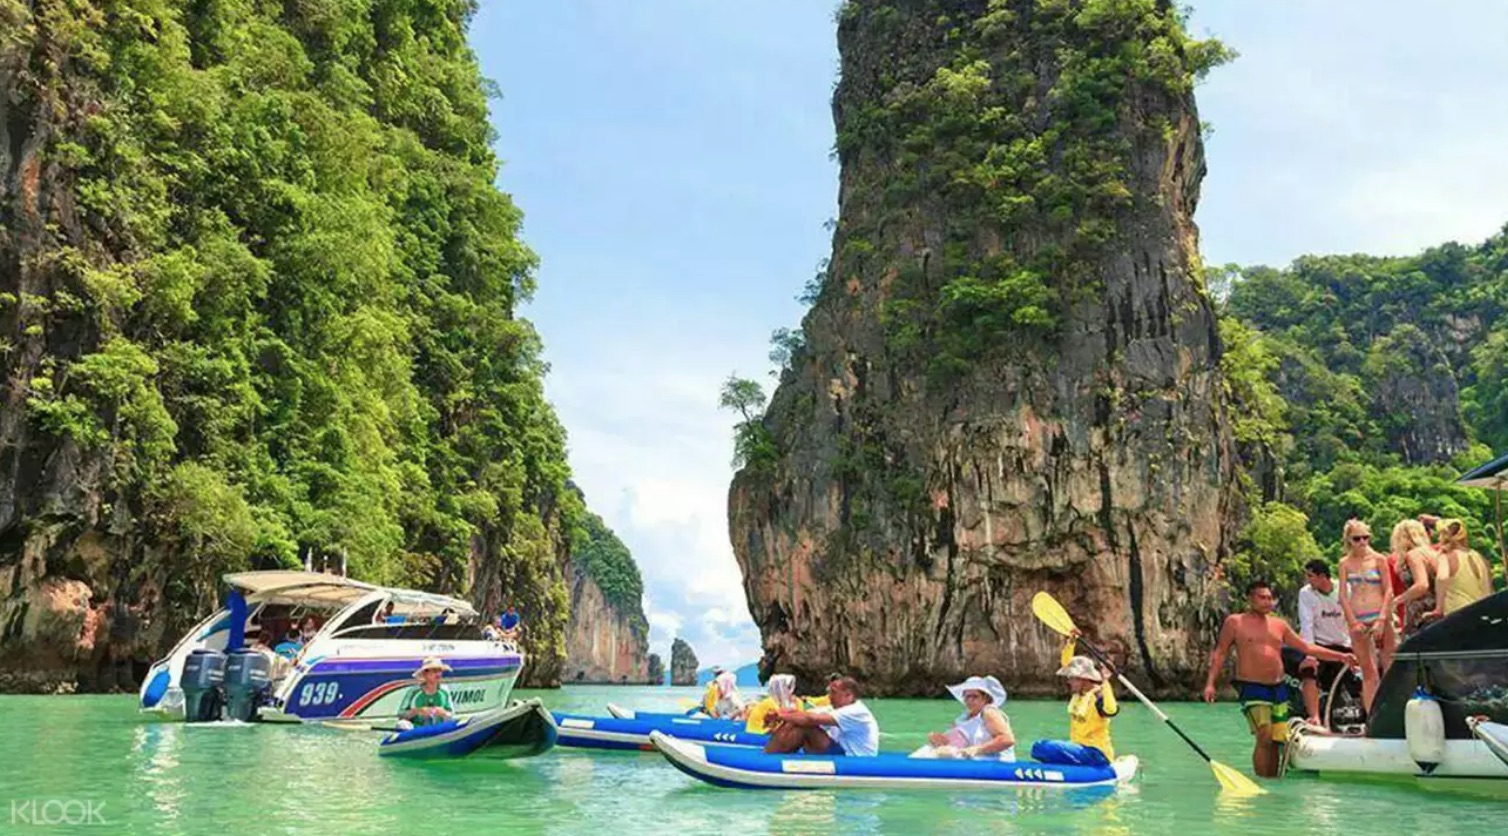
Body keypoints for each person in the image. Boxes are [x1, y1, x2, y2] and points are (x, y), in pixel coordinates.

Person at [1203, 580, 1357, 777]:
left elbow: (1307, 648)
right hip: (1252, 686)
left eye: (1269, 598)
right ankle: (1261, 780)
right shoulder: (1235, 622)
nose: (1267, 602)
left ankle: (1272, 781)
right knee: (1264, 734)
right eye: (1262, 597)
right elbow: (1220, 652)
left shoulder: (1279, 625)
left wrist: (1341, 656)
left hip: (1278, 687)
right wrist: (1210, 684)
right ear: (1250, 599)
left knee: (1277, 739)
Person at [1337, 519, 1393, 709]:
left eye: (1366, 538)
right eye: (1357, 539)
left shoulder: (1379, 559)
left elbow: (1389, 591)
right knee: (1368, 672)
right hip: (1357, 618)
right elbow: (1343, 595)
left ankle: (1393, 710)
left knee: (1389, 666)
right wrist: (1352, 622)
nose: (1362, 542)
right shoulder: (1344, 563)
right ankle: (1371, 716)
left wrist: (1382, 618)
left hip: (1379, 614)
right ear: (1349, 540)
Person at [1295, 559, 1352, 726]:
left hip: (1343, 642)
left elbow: (1351, 617)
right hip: (1318, 644)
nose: (1308, 580)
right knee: (1308, 671)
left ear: (1322, 576)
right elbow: (1307, 623)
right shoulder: (1306, 593)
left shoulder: (1344, 588)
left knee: (1358, 676)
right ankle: (1314, 716)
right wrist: (1310, 654)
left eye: (1310, 576)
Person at [763, 675, 878, 757]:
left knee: (805, 725)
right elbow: (807, 714)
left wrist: (780, 716)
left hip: (854, 758)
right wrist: (779, 714)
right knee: (797, 721)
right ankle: (771, 755)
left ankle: (768, 758)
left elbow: (811, 719)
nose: (829, 697)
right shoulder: (836, 709)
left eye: (833, 692)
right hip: (839, 750)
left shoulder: (857, 711)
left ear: (848, 695)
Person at [918, 675, 1016, 761]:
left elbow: (1007, 739)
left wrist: (978, 749)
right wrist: (938, 739)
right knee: (930, 750)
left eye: (974, 696)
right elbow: (953, 744)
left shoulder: (989, 712)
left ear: (985, 698)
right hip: (971, 760)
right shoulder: (963, 718)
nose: (970, 700)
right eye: (967, 696)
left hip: (995, 763)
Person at [1057, 656, 1117, 760]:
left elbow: (1111, 710)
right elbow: (1065, 662)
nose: (1069, 682)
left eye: (1072, 678)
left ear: (1084, 680)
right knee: (1039, 750)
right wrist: (1070, 642)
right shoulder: (1078, 696)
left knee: (1043, 746)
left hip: (1096, 752)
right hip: (1078, 749)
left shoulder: (1098, 695)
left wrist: (1105, 681)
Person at [1432, 518, 1494, 617]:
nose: (1439, 538)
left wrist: (1438, 608)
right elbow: (1489, 587)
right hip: (1482, 611)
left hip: (1458, 613)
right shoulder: (1479, 556)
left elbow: (1442, 578)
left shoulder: (1446, 557)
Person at [1391, 519, 1439, 640]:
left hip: (1421, 614)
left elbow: (1422, 585)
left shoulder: (1414, 555)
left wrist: (1397, 601)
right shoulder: (1431, 553)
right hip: (1436, 610)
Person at [742, 674, 830, 734]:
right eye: (787, 687)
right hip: (761, 732)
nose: (791, 690)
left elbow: (817, 701)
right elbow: (759, 729)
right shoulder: (768, 704)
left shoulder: (797, 701)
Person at [397, 657, 455, 730]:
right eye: (434, 671)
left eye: (439, 671)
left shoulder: (444, 691)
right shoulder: (414, 692)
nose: (438, 674)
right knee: (402, 724)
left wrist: (442, 713)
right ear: (425, 674)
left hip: (440, 729)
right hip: (416, 729)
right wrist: (418, 711)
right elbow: (401, 715)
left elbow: (452, 716)